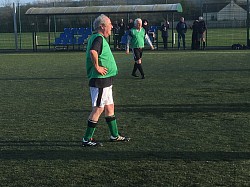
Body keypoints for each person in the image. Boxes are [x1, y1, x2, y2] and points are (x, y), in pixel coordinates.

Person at [82, 14, 130, 147]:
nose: (112, 26)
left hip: (106, 80)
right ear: (102, 26)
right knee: (98, 108)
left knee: (110, 107)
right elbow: (93, 52)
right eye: (109, 24)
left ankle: (114, 135)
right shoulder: (98, 38)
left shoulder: (99, 38)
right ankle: (87, 139)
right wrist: (97, 67)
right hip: (100, 81)